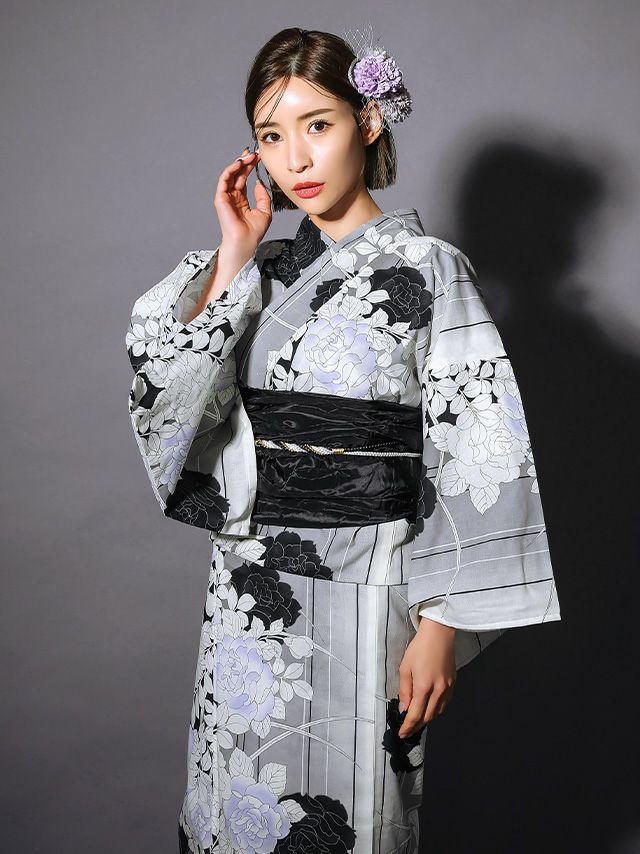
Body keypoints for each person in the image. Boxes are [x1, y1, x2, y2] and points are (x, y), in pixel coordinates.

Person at [125, 25, 561, 854]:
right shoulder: (258, 274)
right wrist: (235, 252)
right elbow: (172, 399)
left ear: (368, 120)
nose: (295, 158)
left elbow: (476, 445)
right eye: (271, 135)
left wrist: (441, 622)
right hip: (249, 591)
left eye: (317, 125)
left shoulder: (430, 269)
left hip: (368, 586)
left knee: (356, 808)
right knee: (236, 805)